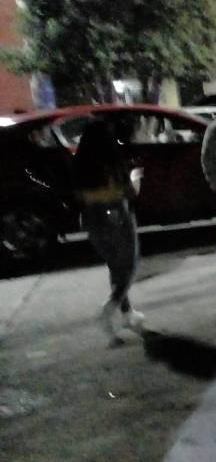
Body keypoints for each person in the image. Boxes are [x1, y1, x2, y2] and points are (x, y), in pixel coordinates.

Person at [73, 120, 143, 342]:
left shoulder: (80, 162)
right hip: (117, 216)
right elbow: (129, 193)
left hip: (92, 218)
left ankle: (126, 312)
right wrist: (136, 177)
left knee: (114, 265)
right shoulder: (112, 161)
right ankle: (109, 309)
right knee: (129, 267)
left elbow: (78, 195)